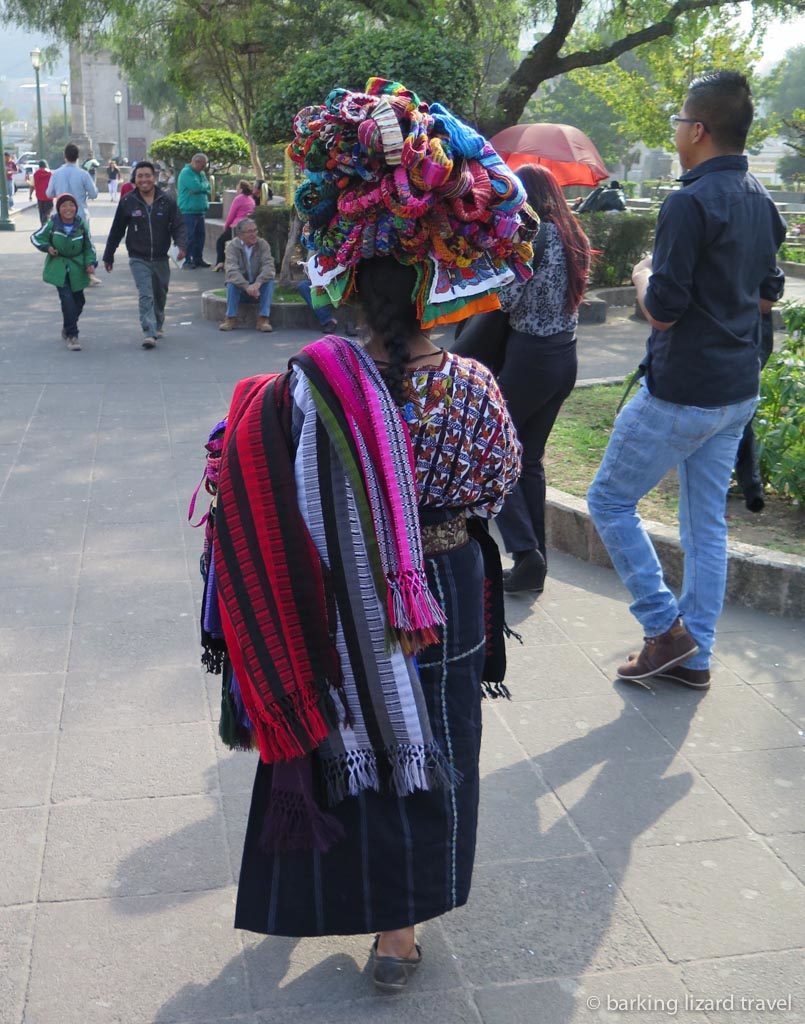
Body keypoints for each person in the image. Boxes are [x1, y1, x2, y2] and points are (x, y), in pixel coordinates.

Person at [195, 77, 531, 993]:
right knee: (429, 749)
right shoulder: (468, 388)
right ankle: (397, 934)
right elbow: (497, 483)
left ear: (348, 289)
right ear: (435, 293)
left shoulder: (313, 386)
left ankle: (318, 894)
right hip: (444, 590)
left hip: (339, 595)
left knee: (350, 737)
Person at [587, 71, 786, 692]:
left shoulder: (687, 202)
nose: (676, 132)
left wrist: (645, 275)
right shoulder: (762, 198)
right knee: (706, 526)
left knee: (609, 501)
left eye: (678, 122)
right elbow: (767, 295)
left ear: (697, 130)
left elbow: (663, 309)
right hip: (736, 390)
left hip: (682, 390)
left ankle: (664, 628)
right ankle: (693, 657)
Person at [495, 163, 591, 595]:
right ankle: (535, 563)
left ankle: (524, 550)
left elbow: (508, 300)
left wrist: (496, 267)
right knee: (528, 460)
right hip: (564, 357)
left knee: (493, 449)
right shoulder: (574, 235)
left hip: (530, 357)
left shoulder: (532, 238)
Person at [102, 160, 187, 350]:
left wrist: (181, 245)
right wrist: (109, 255)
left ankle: (158, 322)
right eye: (140, 176)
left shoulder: (166, 200)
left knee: (160, 294)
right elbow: (117, 230)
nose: (144, 180)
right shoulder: (128, 201)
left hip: (160, 258)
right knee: (146, 294)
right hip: (138, 258)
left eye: (147, 175)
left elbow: (179, 225)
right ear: (135, 178)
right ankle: (149, 332)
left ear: (154, 177)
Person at [30, 193, 96, 351]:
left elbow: (89, 247)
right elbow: (35, 237)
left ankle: (67, 326)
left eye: (71, 205)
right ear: (58, 209)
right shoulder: (52, 224)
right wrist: (47, 247)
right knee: (67, 300)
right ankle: (73, 336)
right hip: (59, 268)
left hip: (77, 268)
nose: (68, 208)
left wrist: (90, 263)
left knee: (79, 301)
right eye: (64, 205)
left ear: (76, 208)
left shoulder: (81, 225)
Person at [218, 218, 275, 332]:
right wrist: (246, 286)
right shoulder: (232, 246)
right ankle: (230, 318)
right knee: (231, 282)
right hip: (242, 288)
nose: (253, 234)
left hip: (258, 288)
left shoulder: (263, 244)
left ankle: (263, 319)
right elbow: (231, 270)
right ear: (240, 234)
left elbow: (269, 267)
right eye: (249, 231)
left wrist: (258, 283)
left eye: (255, 230)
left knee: (269, 281)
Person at [47, 144, 98, 223]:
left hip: (61, 216)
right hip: (79, 216)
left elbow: (49, 194)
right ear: (78, 157)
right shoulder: (84, 174)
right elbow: (94, 194)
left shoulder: (56, 174)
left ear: (64, 156)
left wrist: (58, 193)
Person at [177, 152, 211, 268]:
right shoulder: (186, 172)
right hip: (188, 210)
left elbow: (209, 187)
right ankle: (188, 259)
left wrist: (202, 187)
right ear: (196, 162)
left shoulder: (200, 173)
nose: (204, 168)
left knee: (200, 237)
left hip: (200, 210)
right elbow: (196, 187)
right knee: (189, 237)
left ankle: (198, 258)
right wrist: (203, 187)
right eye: (203, 165)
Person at [213, 179, 255, 271]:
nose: (236, 190)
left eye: (237, 188)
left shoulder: (238, 199)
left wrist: (226, 226)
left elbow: (231, 215)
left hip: (237, 227)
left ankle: (220, 262)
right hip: (248, 226)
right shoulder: (251, 200)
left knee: (220, 242)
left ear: (241, 189)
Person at [32, 161, 53, 225]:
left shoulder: (36, 174)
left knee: (41, 212)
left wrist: (30, 195)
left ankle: (42, 223)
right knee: (47, 212)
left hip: (40, 196)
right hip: (49, 196)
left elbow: (33, 185)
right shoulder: (50, 174)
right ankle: (46, 222)